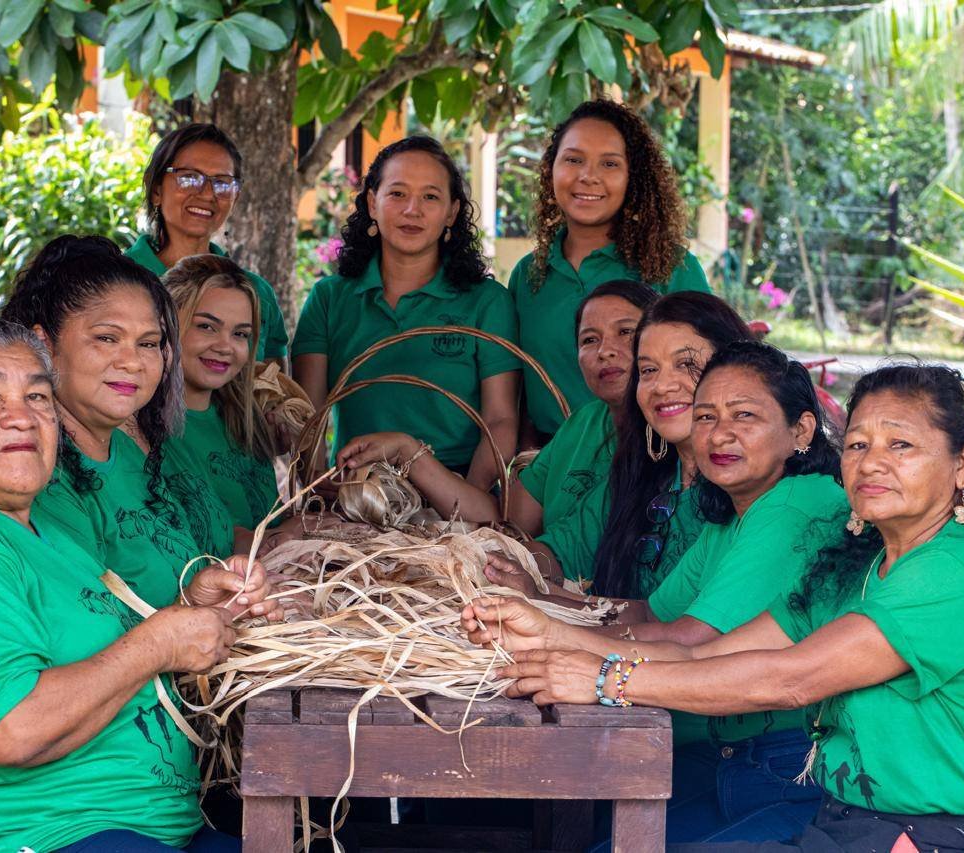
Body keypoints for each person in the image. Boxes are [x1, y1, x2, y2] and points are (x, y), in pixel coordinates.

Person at [467, 363, 964, 853]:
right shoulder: (856, 564)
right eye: (857, 444)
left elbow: (790, 679)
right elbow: (704, 650)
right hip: (850, 824)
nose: (872, 461)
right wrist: (550, 634)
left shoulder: (956, 572)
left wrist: (604, 679)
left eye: (901, 445)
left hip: (931, 839)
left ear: (962, 465)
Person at [0, 318, 279, 852]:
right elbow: (11, 728)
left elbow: (99, 655)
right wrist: (159, 642)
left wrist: (192, 608)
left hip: (119, 825)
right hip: (10, 835)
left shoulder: (39, 526)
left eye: (39, 397)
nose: (20, 417)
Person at [469, 341, 850, 843]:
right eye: (707, 416)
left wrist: (558, 637)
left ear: (800, 430)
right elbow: (648, 611)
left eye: (745, 416)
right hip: (728, 755)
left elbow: (690, 639)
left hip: (786, 766)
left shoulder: (796, 505)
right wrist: (542, 602)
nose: (721, 433)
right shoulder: (736, 508)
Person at [335, 280, 657, 579]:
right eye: (589, 339)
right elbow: (504, 521)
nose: (605, 351)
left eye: (626, 332)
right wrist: (408, 450)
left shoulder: (666, 443)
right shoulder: (582, 425)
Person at [0, 235, 236, 608]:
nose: (133, 362)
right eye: (108, 338)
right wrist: (194, 607)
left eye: (148, 343)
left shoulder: (129, 450)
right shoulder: (38, 478)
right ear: (43, 345)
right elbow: (90, 635)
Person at [482, 292, 752, 603]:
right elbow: (563, 549)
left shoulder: (754, 488)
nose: (663, 386)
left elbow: (684, 630)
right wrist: (504, 565)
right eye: (649, 370)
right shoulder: (642, 472)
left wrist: (547, 597)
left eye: (686, 363)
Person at [293, 135, 520, 489]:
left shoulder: (487, 302)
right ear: (372, 202)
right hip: (355, 495)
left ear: (452, 212)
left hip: (457, 495)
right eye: (397, 193)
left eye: (430, 196)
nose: (412, 210)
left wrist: (466, 503)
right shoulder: (329, 298)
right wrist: (321, 497)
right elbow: (307, 418)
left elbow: (502, 420)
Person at [510, 99, 710, 440]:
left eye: (609, 164)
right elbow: (519, 393)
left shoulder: (672, 268)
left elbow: (709, 376)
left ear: (633, 177)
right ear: (551, 169)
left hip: (651, 463)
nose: (589, 177)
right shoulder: (529, 275)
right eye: (573, 160)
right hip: (551, 468)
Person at [126, 123, 288, 364]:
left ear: (236, 198)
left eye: (222, 183)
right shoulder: (117, 278)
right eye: (189, 178)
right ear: (156, 190)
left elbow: (272, 392)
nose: (207, 194)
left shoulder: (256, 292)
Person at [163, 254, 281, 548]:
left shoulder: (242, 417)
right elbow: (227, 541)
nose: (225, 346)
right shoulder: (149, 432)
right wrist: (292, 534)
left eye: (240, 334)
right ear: (165, 325)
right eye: (206, 326)